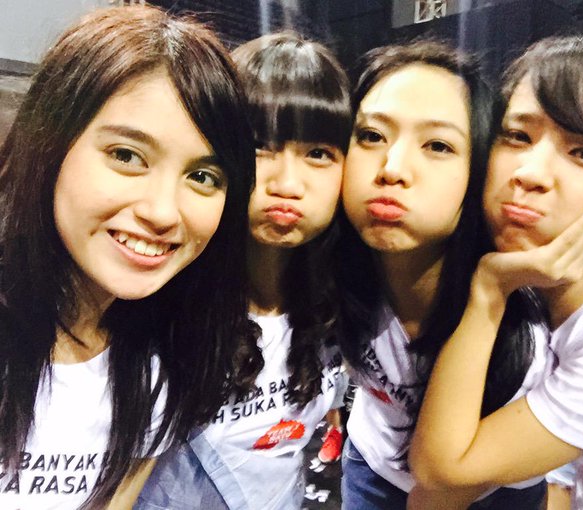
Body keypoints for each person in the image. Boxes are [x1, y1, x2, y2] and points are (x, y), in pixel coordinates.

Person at [0, 6, 255, 509]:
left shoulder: (170, 354)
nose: (162, 212)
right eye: (126, 155)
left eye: (202, 177)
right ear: (48, 145)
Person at [410, 35, 583, 510]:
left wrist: (490, 289)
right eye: (518, 136)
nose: (530, 173)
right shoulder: (540, 274)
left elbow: (442, 471)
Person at [134, 32, 352, 510]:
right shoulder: (156, 306)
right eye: (259, 146)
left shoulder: (344, 303)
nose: (287, 183)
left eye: (318, 153)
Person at [337, 39, 549, 510]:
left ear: (481, 172)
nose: (392, 169)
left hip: (493, 491)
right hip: (372, 466)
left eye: (438, 145)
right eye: (371, 136)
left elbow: (444, 485)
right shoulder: (333, 269)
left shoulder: (528, 329)